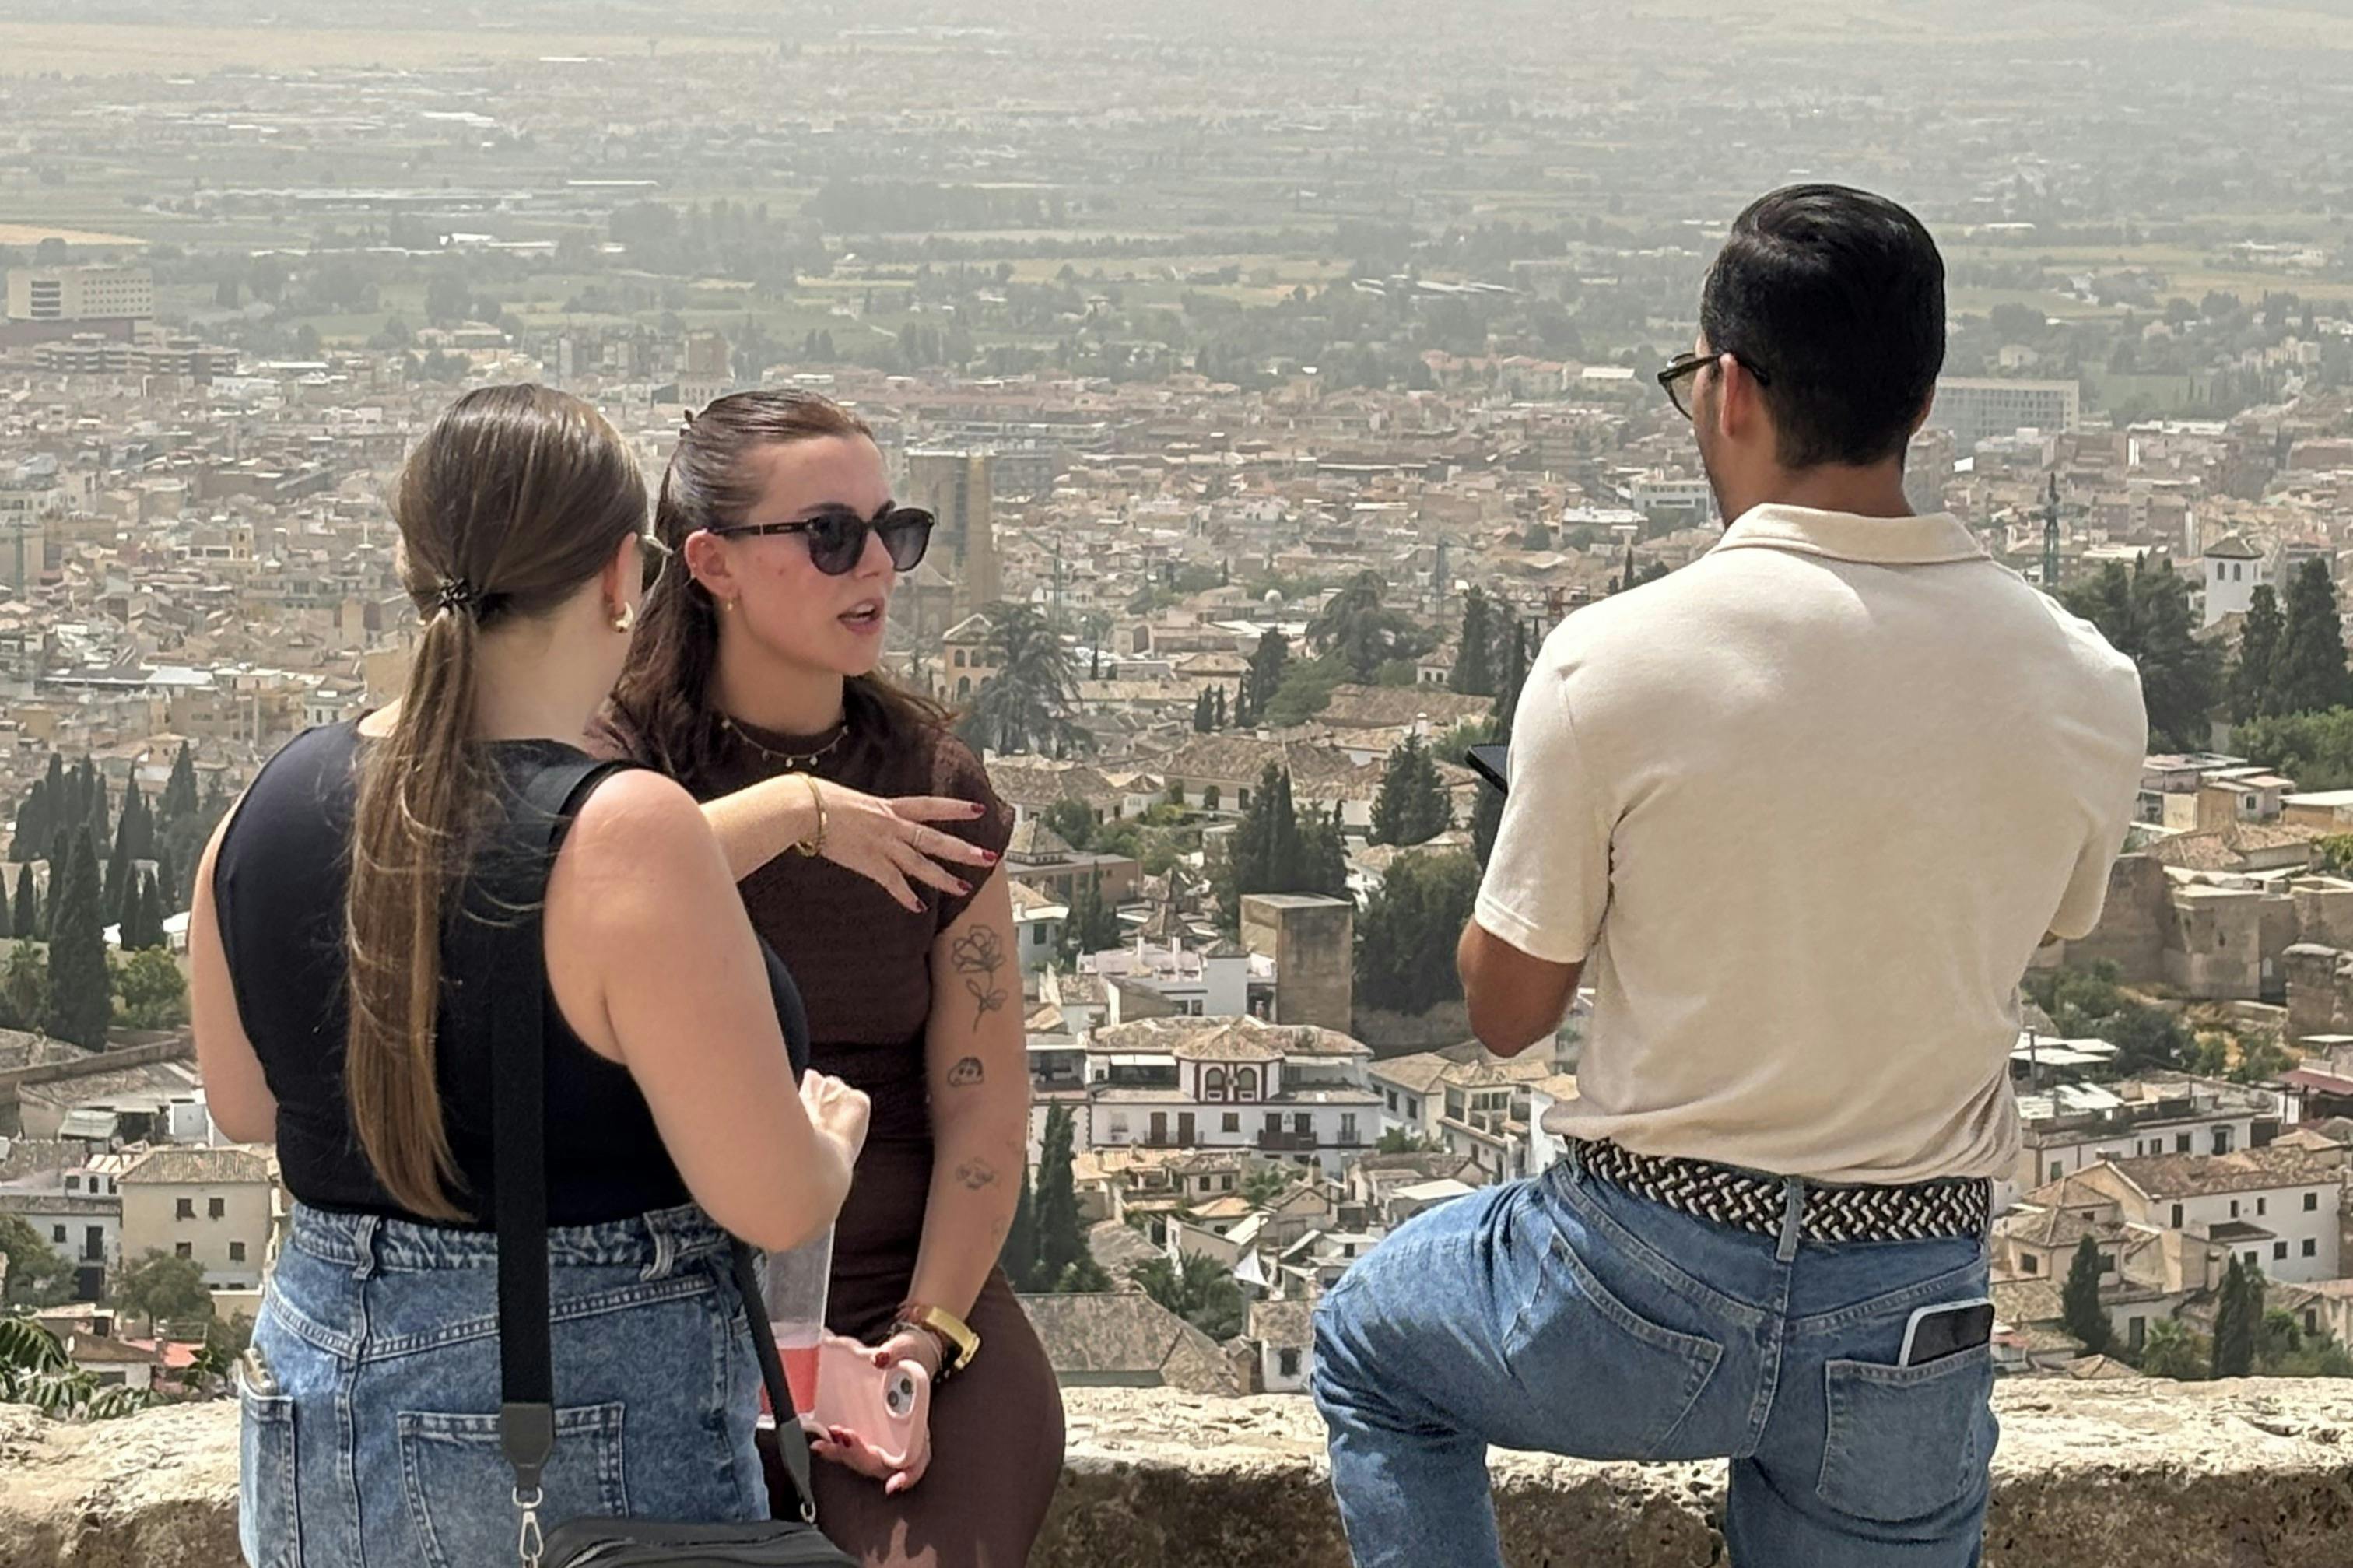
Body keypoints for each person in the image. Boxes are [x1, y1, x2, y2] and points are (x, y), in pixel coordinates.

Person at [1310, 186, 2148, 1568]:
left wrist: (1526, 851)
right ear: (1924, 405)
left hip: (1638, 1282)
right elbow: (2046, 920)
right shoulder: (2084, 683)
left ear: (1731, 389)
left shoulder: (1618, 660)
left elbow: (1509, 1010)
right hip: (1911, 1304)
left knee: (1371, 1349)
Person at [188, 384, 872, 1568]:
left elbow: (246, 1107)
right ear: (623, 579)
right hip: (570, 1429)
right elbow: (772, 1201)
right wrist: (829, 1139)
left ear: (413, 564)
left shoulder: (264, 806)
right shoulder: (627, 835)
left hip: (308, 1411)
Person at [600, 389, 1062, 1568]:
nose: (878, 567)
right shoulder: (615, 767)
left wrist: (924, 1338)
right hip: (657, 1296)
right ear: (712, 563)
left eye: (890, 531)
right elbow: (560, 911)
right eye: (829, 534)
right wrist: (793, 814)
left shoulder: (933, 780)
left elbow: (982, 1104)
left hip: (892, 1294)